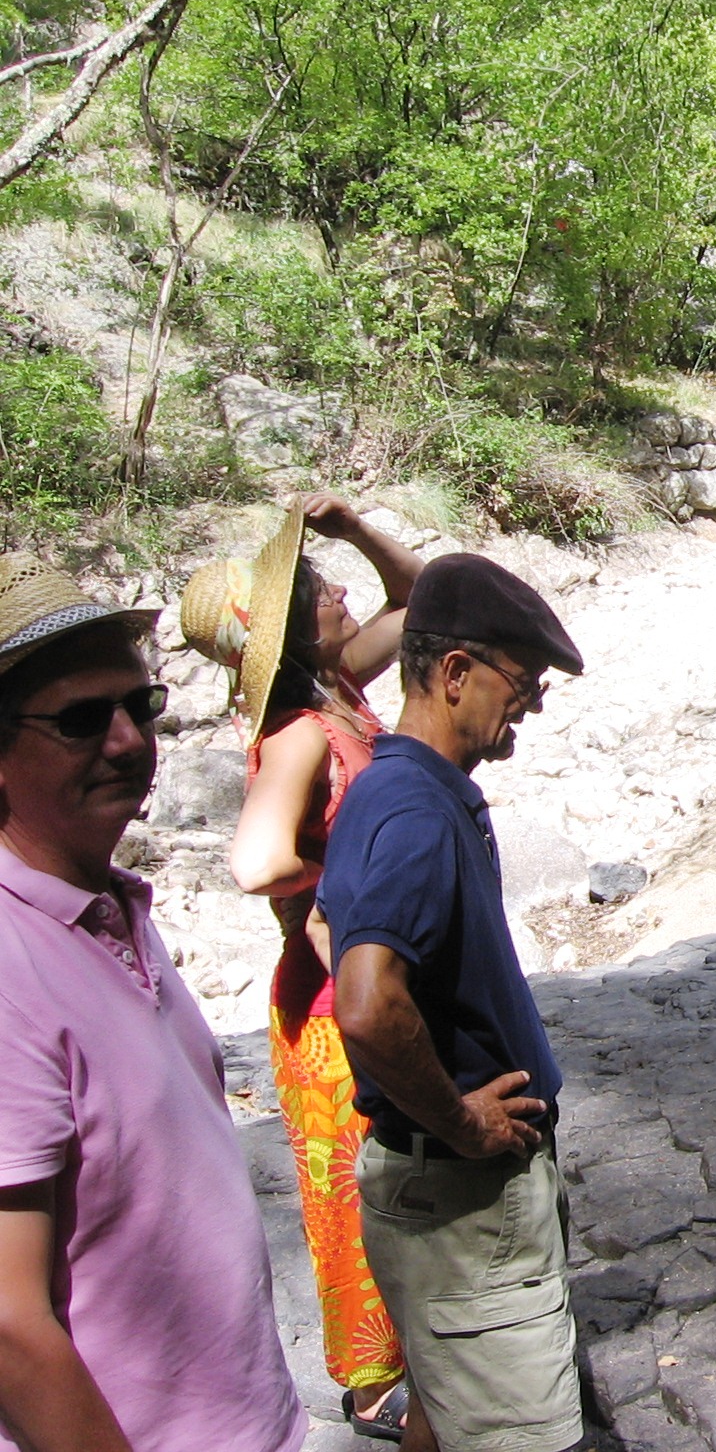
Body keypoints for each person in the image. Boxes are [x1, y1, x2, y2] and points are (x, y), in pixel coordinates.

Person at [0, 555, 305, 1452]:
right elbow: (9, 1325)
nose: (129, 741)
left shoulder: (109, 909)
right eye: (82, 720)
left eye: (142, 706)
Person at [322, 553, 586, 1452]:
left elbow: (333, 930)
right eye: (523, 684)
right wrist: (462, 1123)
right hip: (466, 1203)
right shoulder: (418, 812)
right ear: (455, 673)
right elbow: (363, 1002)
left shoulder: (390, 787)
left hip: (433, 1193)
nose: (529, 707)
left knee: (441, 1402)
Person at [180, 494, 422, 1441]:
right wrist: (349, 871)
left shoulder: (337, 688)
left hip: (357, 972)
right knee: (351, 1181)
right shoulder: (299, 731)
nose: (341, 596)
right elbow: (256, 862)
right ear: (289, 625)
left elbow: (416, 600)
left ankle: (417, 1347)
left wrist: (356, 528)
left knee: (392, 1166)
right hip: (323, 996)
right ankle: (371, 1386)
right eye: (324, 590)